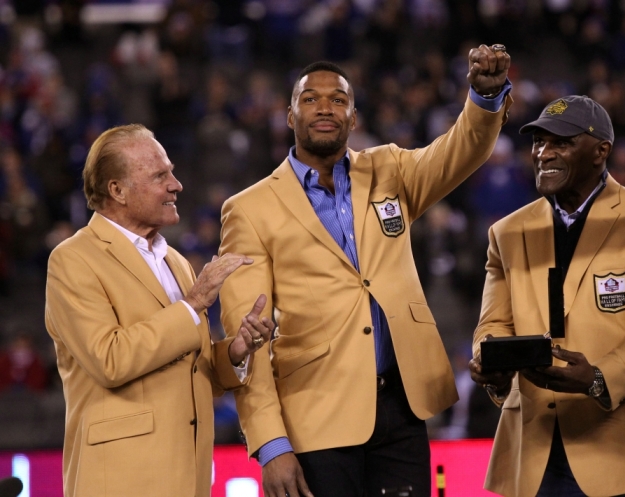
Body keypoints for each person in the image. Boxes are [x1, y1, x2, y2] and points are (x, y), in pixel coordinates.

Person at [218, 47, 512, 497]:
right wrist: (271, 444)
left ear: (354, 118)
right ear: (289, 115)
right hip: (315, 417)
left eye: (338, 99)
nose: (324, 107)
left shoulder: (389, 169)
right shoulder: (250, 210)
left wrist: (484, 99)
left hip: (402, 406)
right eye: (310, 99)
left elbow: (460, 152)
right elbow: (248, 339)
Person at [469, 95, 625, 497]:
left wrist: (598, 379)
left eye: (561, 142)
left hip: (624, 453)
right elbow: (493, 324)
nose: (543, 153)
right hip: (532, 454)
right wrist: (491, 364)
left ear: (600, 151)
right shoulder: (507, 232)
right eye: (538, 143)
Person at [44, 124, 274, 497]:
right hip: (121, 481)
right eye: (159, 175)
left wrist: (235, 351)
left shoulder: (177, 262)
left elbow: (190, 370)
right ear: (116, 190)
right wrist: (194, 303)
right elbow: (110, 360)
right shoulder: (73, 260)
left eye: (171, 171)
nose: (176, 184)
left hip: (189, 478)